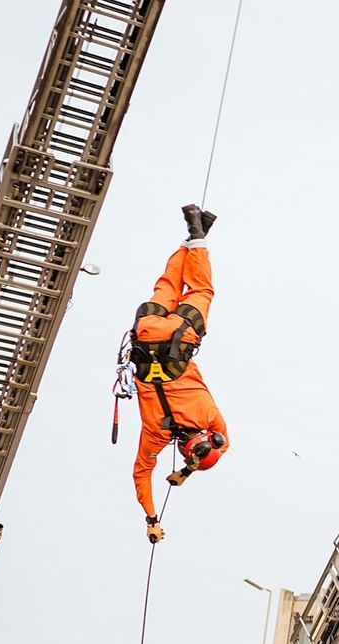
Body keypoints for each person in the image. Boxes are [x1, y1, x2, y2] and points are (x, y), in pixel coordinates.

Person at [129, 204, 229, 543]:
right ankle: (190, 240)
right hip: (145, 334)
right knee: (167, 286)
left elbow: (223, 442)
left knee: (200, 292)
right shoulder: (156, 434)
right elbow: (141, 474)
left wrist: (189, 471)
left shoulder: (209, 416)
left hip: (181, 334)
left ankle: (197, 239)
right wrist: (151, 519)